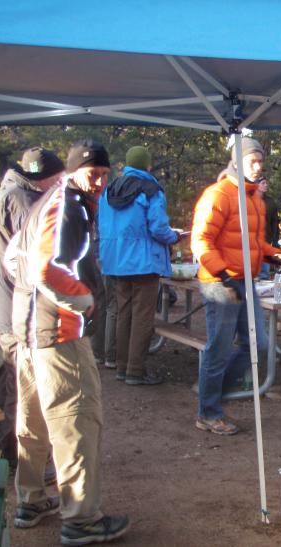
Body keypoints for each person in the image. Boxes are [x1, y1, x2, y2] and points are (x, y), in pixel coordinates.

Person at [10, 139, 129, 545]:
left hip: (28, 330)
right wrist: (82, 299)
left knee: (33, 421)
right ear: (73, 171)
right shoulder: (67, 204)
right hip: (58, 332)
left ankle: (30, 500)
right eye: (93, 174)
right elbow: (44, 269)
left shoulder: (43, 202)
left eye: (105, 175)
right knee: (77, 422)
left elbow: (13, 258)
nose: (100, 182)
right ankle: (82, 519)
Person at [0, 147, 65, 470]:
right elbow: (35, 256)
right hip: (13, 307)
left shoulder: (7, 192)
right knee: (22, 384)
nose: (60, 183)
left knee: (8, 379)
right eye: (58, 178)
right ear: (44, 177)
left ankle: (8, 449)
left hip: (0, 305)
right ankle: (23, 458)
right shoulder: (20, 200)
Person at [191, 137, 279, 436]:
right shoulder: (218, 194)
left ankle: (214, 394)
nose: (258, 166)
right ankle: (208, 412)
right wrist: (223, 275)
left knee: (258, 344)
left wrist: (280, 256)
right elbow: (201, 240)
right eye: (252, 161)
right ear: (237, 161)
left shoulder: (254, 198)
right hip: (220, 283)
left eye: (260, 161)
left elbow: (254, 243)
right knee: (218, 348)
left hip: (246, 280)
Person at [98, 145, 180, 385]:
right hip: (143, 262)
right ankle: (135, 370)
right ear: (148, 165)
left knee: (124, 313)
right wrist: (174, 237)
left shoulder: (109, 190)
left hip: (115, 260)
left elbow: (102, 223)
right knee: (142, 316)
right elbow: (158, 228)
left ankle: (122, 366)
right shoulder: (151, 189)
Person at [256, 176, 279, 279]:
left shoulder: (270, 202)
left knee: (264, 273)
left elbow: (275, 223)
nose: (266, 185)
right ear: (256, 185)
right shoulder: (248, 200)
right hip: (251, 243)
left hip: (266, 241)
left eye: (266, 183)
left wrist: (275, 241)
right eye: (263, 183)